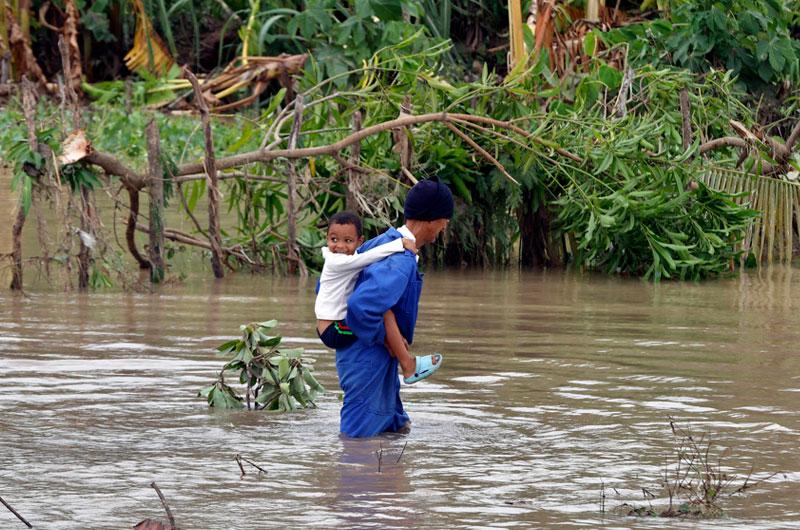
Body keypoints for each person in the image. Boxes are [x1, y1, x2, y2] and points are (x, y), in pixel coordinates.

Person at [336, 175, 454, 438]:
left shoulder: (385, 242)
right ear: (432, 220)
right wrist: (387, 340)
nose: (444, 228)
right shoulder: (400, 260)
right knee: (355, 447)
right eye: (444, 222)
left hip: (373, 362)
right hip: (367, 361)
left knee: (397, 430)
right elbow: (360, 306)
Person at [316, 211, 434, 383]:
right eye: (334, 240)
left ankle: (396, 348)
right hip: (333, 330)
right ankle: (407, 364)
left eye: (347, 241)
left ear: (360, 242)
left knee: (382, 319)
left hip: (332, 325)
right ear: (327, 238)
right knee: (384, 314)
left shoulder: (348, 257)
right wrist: (399, 244)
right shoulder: (336, 261)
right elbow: (367, 258)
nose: (340, 246)